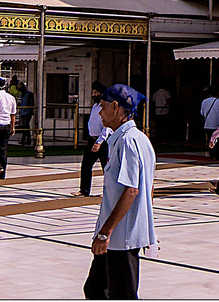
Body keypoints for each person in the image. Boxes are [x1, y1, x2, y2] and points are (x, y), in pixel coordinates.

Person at [83, 83, 156, 301]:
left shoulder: (128, 141)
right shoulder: (136, 139)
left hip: (120, 238)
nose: (99, 112)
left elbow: (131, 190)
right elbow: (147, 187)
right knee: (95, 289)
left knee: (121, 294)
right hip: (120, 235)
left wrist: (105, 233)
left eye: (103, 107)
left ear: (116, 107)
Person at [80, 83, 114, 198]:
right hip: (92, 140)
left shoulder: (106, 107)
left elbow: (107, 127)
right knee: (86, 165)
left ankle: (109, 191)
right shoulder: (95, 107)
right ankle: (84, 190)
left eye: (96, 93)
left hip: (103, 142)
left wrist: (99, 141)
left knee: (107, 167)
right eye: (93, 92)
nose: (94, 95)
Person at [199, 89, 219, 160]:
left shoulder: (204, 101)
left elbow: (202, 113)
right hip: (218, 124)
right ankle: (218, 154)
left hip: (207, 123)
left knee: (210, 139)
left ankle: (211, 154)